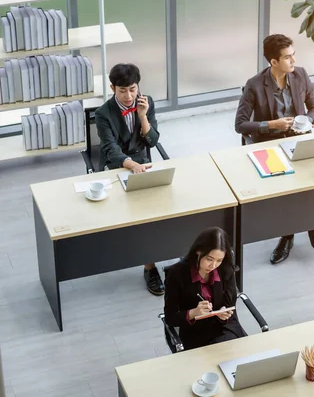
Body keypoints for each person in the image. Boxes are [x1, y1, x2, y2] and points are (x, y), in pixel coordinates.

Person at [234, 33, 314, 264]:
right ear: (273, 62)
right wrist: (271, 125)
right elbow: (240, 124)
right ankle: (288, 235)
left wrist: (305, 119)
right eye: (287, 57)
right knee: (288, 189)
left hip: (299, 137)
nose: (293, 61)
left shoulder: (300, 75)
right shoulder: (254, 85)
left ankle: (311, 225)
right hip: (270, 144)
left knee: (311, 183)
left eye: (293, 55)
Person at [95, 63, 164, 296]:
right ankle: (150, 267)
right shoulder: (103, 113)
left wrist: (143, 117)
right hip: (119, 168)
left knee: (163, 211)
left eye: (133, 89)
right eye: (122, 91)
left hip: (144, 165)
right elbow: (110, 150)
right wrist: (132, 165)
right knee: (143, 219)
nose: (129, 96)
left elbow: (153, 140)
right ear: (112, 87)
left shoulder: (148, 102)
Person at [164, 228, 247, 350]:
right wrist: (193, 313)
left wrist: (224, 311)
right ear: (198, 251)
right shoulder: (177, 273)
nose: (213, 266)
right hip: (196, 333)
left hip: (225, 328)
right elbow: (170, 317)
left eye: (219, 260)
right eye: (209, 259)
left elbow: (230, 304)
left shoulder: (225, 268)